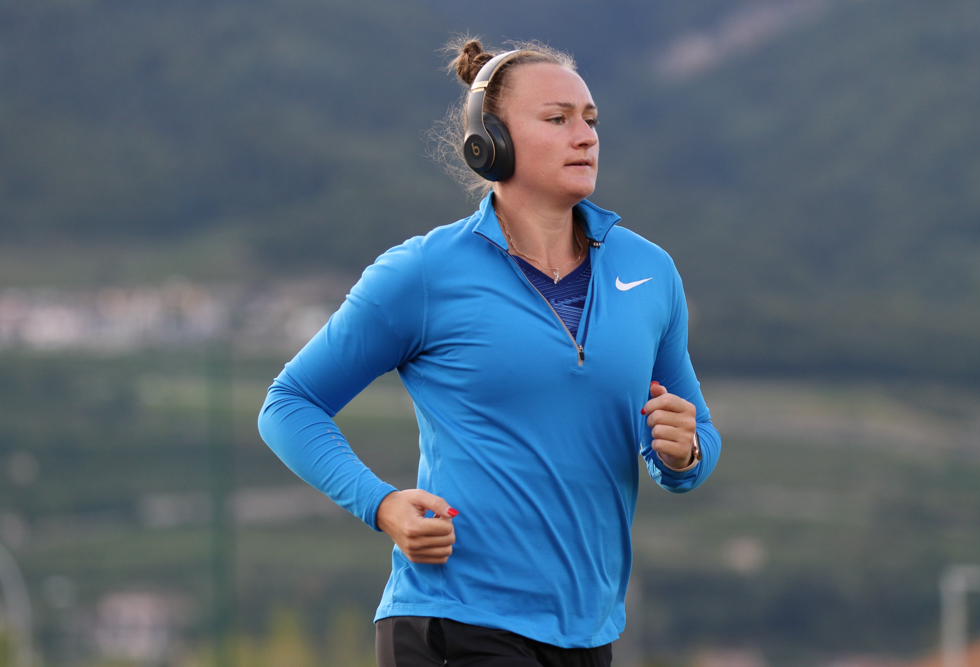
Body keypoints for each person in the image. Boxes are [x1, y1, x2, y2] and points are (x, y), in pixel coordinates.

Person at [258, 38, 720, 667]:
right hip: (457, 623)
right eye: (557, 119)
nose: (584, 136)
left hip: (589, 635)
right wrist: (381, 504)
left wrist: (683, 451)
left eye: (590, 120)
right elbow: (289, 404)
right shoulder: (424, 272)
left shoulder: (651, 272)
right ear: (490, 142)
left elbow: (696, 439)